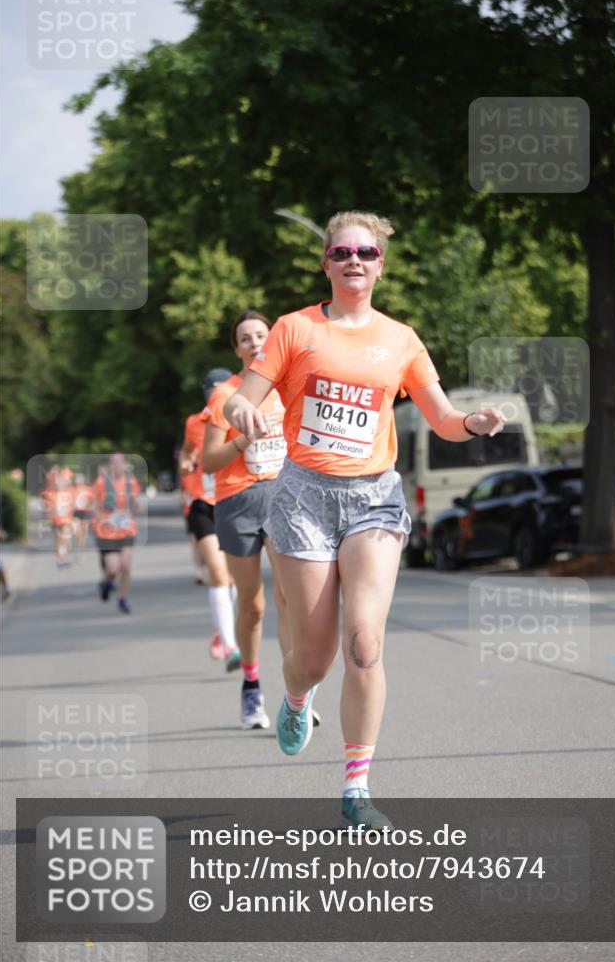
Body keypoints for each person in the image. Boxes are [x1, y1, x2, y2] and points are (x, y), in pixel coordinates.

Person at [224, 211, 506, 828]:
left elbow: (443, 419)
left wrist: (474, 423)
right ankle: (296, 695)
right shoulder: (295, 329)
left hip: (374, 497)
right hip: (303, 498)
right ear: (326, 262)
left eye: (367, 253)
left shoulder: (401, 339)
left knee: (365, 643)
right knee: (314, 656)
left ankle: (357, 787)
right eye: (343, 251)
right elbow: (245, 394)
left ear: (381, 264)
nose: (356, 260)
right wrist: (243, 412)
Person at [202, 311, 290, 730]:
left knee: (291, 598)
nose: (255, 343)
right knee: (253, 605)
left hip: (282, 496)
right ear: (236, 349)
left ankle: (297, 692)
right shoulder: (225, 395)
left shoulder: (288, 388)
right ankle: (252, 687)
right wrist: (243, 439)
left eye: (261, 335)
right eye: (246, 338)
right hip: (237, 502)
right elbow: (209, 460)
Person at [179, 368, 241, 670]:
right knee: (217, 572)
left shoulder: (243, 414)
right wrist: (186, 461)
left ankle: (222, 624)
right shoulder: (194, 422)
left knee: (232, 577)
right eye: (212, 389)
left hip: (232, 501)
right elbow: (188, 451)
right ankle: (231, 646)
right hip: (203, 503)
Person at [92, 453, 141, 614]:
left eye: (120, 463)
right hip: (107, 531)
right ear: (109, 465)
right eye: (114, 463)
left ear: (125, 464)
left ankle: (122, 599)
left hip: (126, 528)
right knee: (113, 569)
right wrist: (102, 520)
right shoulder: (101, 483)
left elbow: (134, 502)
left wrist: (135, 507)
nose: (117, 466)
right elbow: (95, 506)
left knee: (125, 566)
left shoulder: (131, 481)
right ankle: (106, 584)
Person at [72, 472, 94, 552]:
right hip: (76, 511)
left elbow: (92, 500)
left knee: (84, 530)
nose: (78, 481)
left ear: (83, 480)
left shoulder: (87, 489)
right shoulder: (72, 489)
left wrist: (90, 507)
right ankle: (78, 545)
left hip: (86, 511)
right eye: (77, 479)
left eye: (80, 479)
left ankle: (82, 546)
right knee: (77, 531)